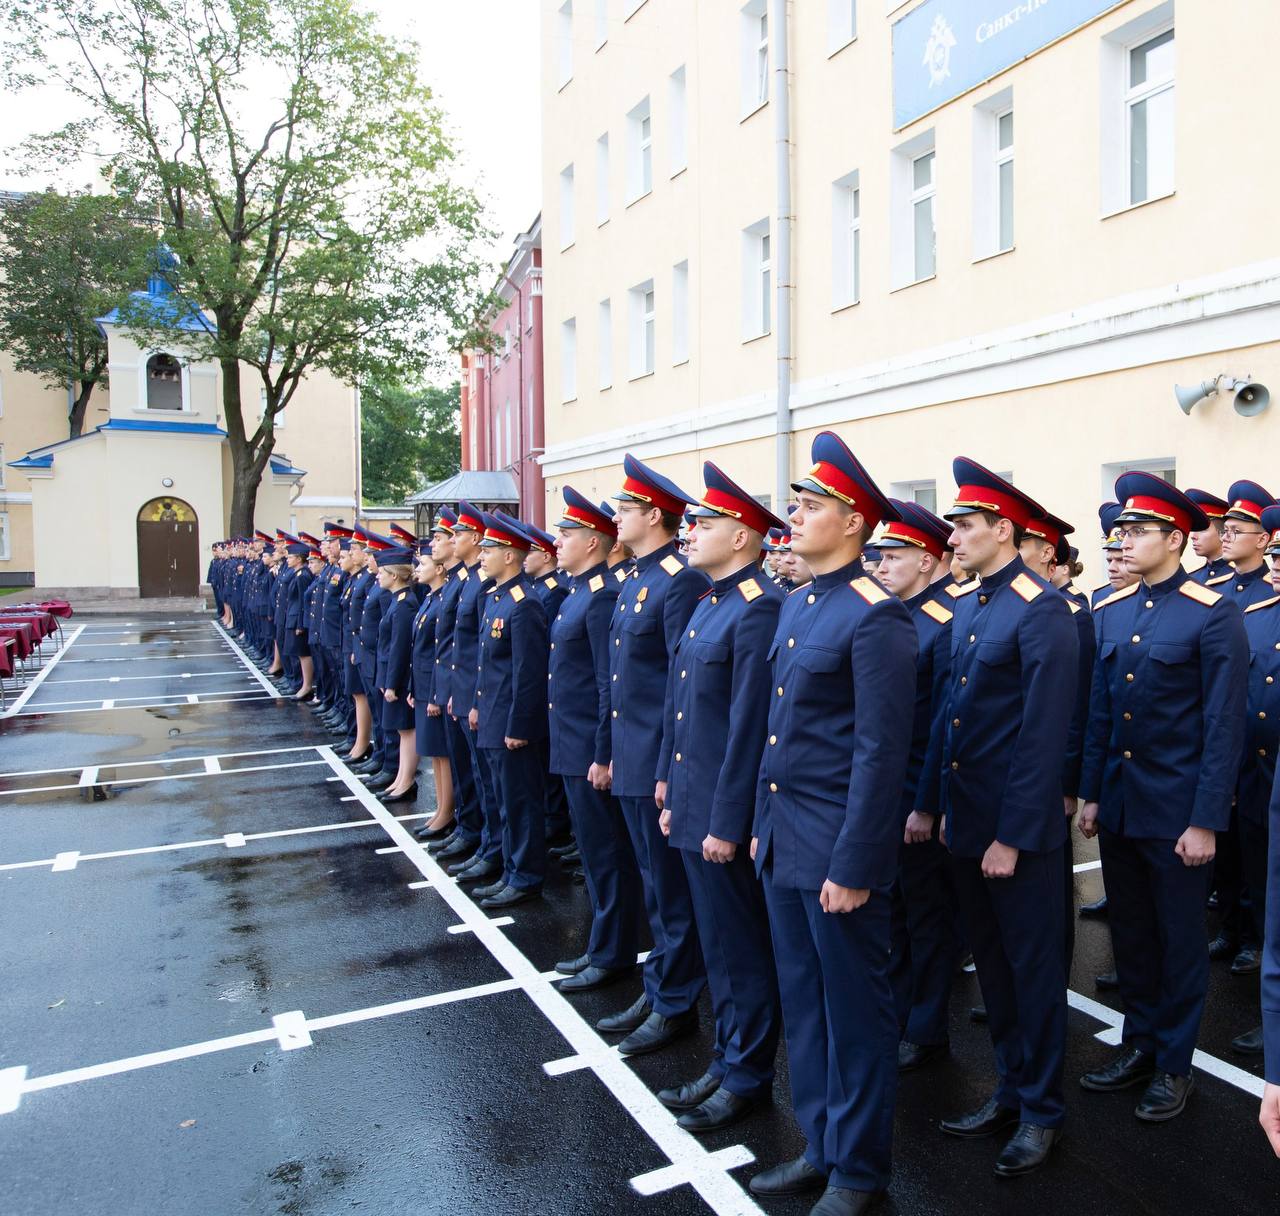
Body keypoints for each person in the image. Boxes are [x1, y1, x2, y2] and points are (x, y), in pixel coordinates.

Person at [747, 432, 915, 1215]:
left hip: (836, 852)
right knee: (805, 1007)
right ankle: (819, 1144)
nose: (794, 516)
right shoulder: (801, 602)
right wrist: (758, 823)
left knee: (854, 1016)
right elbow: (775, 732)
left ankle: (858, 1170)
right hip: (785, 840)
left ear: (853, 522)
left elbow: (881, 759)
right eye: (796, 504)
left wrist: (852, 866)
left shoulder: (876, 617)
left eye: (809, 507)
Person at [1078, 472, 1247, 1121]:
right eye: (1119, 531)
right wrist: (1092, 793)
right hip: (1121, 806)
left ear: (1174, 538)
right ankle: (1140, 1043)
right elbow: (1100, 714)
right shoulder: (1114, 610)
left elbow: (1223, 726)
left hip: (1178, 812)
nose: (1122, 541)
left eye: (1135, 530)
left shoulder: (1213, 613)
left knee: (1178, 942)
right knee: (1135, 936)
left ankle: (1175, 1065)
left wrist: (1206, 820)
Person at [937, 458, 1078, 1179]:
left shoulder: (1041, 610)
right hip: (967, 823)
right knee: (992, 974)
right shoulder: (971, 603)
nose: (952, 537)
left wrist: (1012, 836)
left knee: (1030, 974)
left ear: (1003, 528)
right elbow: (952, 719)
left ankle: (1042, 1112)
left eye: (964, 525)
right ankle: (1011, 1089)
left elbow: (1042, 736)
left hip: (1011, 834)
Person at [655, 462, 784, 1134]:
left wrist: (726, 820)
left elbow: (747, 727)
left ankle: (748, 1074)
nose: (689, 533)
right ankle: (726, 1058)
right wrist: (674, 792)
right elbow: (684, 714)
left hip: (721, 815)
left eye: (702, 524)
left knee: (740, 949)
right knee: (718, 946)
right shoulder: (711, 601)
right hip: (695, 801)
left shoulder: (760, 607)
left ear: (741, 537)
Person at [596, 454, 709, 1058]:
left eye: (625, 509)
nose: (616, 517)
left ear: (654, 516)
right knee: (652, 881)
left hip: (654, 755)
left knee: (669, 888)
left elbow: (678, 687)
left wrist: (665, 765)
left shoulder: (678, 579)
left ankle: (675, 1002)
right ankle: (660, 984)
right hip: (631, 752)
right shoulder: (639, 575)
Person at [547, 487, 643, 992]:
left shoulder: (603, 595)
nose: (558, 543)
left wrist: (603, 753)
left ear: (593, 542)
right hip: (571, 741)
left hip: (590, 747)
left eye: (567, 535)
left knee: (607, 857)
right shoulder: (580, 591)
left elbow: (609, 682)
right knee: (593, 853)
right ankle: (602, 945)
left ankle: (613, 951)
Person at [874, 500, 956, 1074]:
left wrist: (925, 805)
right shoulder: (892, 614)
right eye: (879, 555)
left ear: (927, 561)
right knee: (894, 913)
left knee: (927, 916)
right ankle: (900, 1012)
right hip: (884, 791)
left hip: (916, 793)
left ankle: (926, 1027)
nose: (882, 565)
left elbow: (941, 727)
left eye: (895, 556)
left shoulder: (944, 623)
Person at [468, 511, 550, 909]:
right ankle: (509, 869)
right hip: (493, 716)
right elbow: (490, 666)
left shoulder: (525, 604)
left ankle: (526, 875)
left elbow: (528, 674)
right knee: (501, 799)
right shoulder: (496, 597)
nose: (482, 553)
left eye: (490, 547)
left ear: (511, 555)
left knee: (520, 803)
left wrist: (519, 725)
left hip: (512, 724)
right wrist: (478, 707)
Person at [1230, 504, 1280, 1057]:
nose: (1276, 562)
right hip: (1260, 780)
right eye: (1276, 551)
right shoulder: (1259, 614)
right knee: (1270, 900)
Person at [409, 544, 455, 835]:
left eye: (422, 564)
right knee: (434, 753)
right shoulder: (430, 599)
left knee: (441, 751)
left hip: (435, 686)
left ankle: (446, 811)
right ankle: (440, 807)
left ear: (439, 569)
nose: (417, 569)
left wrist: (438, 695)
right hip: (425, 684)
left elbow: (443, 651)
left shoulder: (441, 601)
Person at [375, 542, 420, 802]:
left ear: (394, 575)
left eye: (382, 572)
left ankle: (406, 781)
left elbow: (400, 648)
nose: (378, 575)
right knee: (401, 730)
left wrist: (391, 684)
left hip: (400, 679)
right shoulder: (397, 601)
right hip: (393, 677)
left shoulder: (405, 604)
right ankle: (401, 778)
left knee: (406, 729)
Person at [1186, 488, 1232, 584]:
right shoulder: (1191, 577)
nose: (1193, 536)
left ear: (1223, 533)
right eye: (1194, 529)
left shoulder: (1238, 575)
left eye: (1202, 529)